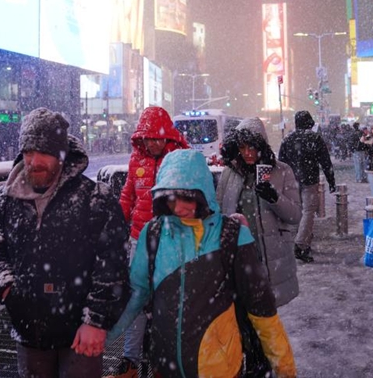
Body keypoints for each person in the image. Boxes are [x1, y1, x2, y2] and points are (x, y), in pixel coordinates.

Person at [107, 149, 297, 378]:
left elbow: (261, 306)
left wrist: (284, 366)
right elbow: (136, 293)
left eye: (187, 198)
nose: (179, 208)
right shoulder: (153, 234)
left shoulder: (232, 236)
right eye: (171, 199)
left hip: (218, 369)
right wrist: (100, 337)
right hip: (164, 367)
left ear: (203, 193)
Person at [0, 108, 130, 378]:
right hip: (29, 330)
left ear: (61, 155)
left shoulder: (95, 199)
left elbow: (113, 266)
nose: (34, 161)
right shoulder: (3, 200)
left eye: (44, 152)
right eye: (28, 152)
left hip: (80, 334)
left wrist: (96, 321)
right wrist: (7, 289)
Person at [216, 117, 302, 376]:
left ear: (262, 146)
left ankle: (260, 366)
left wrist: (274, 198)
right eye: (242, 147)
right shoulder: (230, 174)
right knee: (242, 318)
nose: (248, 153)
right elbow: (219, 212)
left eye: (252, 147)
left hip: (268, 260)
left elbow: (295, 214)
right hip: (239, 260)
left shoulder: (282, 171)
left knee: (264, 320)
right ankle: (254, 364)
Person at [108, 106, 189, 378]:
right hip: (139, 240)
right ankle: (130, 360)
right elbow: (127, 195)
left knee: (169, 300)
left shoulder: (179, 159)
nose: (152, 144)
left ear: (167, 136)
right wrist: (115, 225)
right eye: (147, 138)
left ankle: (165, 360)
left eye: (156, 138)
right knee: (137, 298)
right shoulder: (137, 160)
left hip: (170, 240)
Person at [278, 110, 336, 263]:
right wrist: (331, 181)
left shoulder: (287, 139)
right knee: (309, 211)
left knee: (296, 211)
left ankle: (301, 240)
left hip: (291, 181)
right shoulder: (315, 138)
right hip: (309, 180)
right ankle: (301, 244)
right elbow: (325, 162)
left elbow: (281, 163)